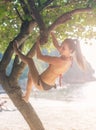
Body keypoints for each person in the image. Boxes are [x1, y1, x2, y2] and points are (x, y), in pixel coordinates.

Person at [13, 32, 86, 102]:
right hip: (48, 84)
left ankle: (16, 51)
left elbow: (39, 56)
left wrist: (37, 42)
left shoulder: (60, 61)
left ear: (71, 50)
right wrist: (52, 34)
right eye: (61, 45)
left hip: (42, 84)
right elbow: (57, 45)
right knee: (30, 74)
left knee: (30, 61)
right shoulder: (69, 58)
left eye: (63, 48)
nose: (60, 48)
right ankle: (27, 97)